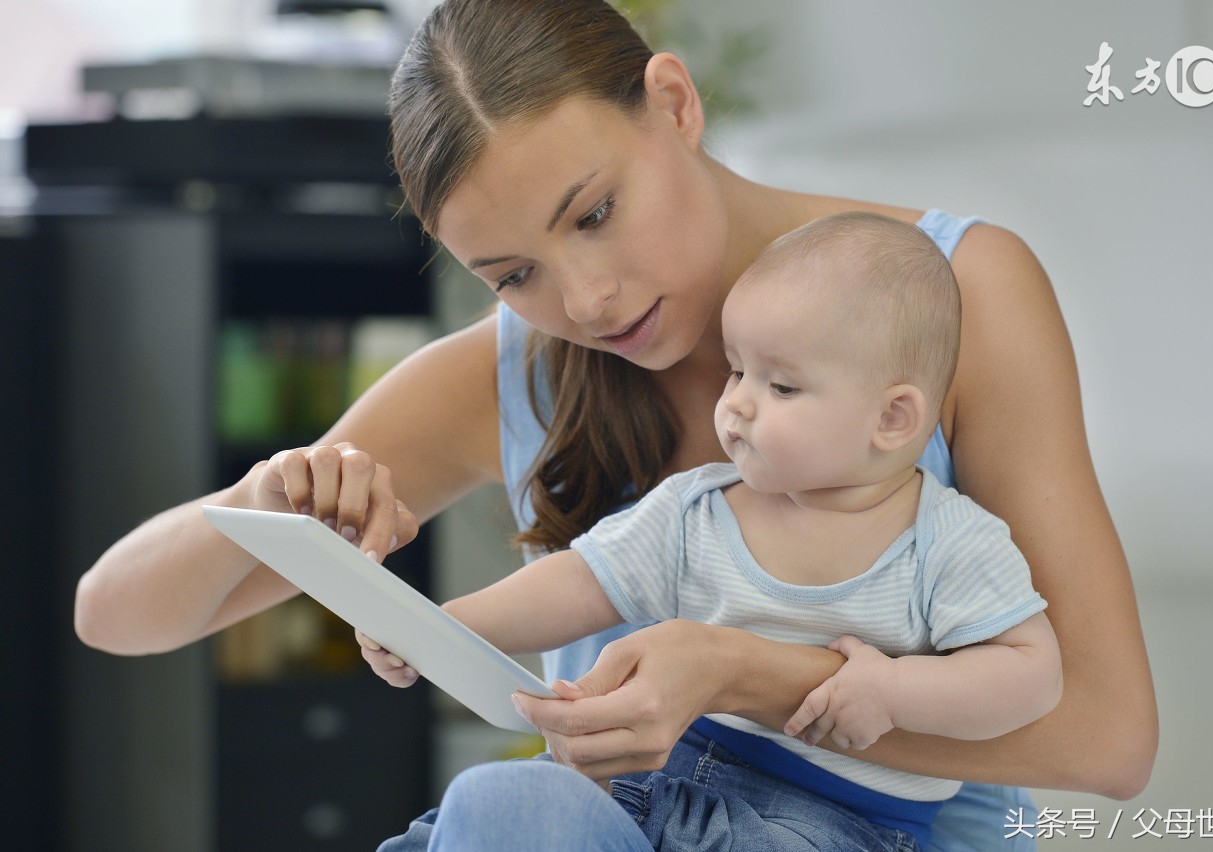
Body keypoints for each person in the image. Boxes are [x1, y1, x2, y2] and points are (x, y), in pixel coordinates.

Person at [73, 0, 1158, 849]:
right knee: (506, 810)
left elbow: (1107, 739)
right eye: (513, 274)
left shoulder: (953, 294)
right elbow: (111, 615)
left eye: (593, 213)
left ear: (674, 104)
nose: (585, 301)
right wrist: (264, 505)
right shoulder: (512, 370)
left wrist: (738, 675)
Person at [382, 211, 1063, 850]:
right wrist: (440, 626)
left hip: (830, 825)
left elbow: (1031, 674)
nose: (736, 403)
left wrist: (892, 692)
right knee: (499, 799)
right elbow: (581, 583)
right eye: (738, 371)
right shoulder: (698, 508)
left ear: (892, 419)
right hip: (653, 785)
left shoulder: (948, 542)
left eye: (782, 387)